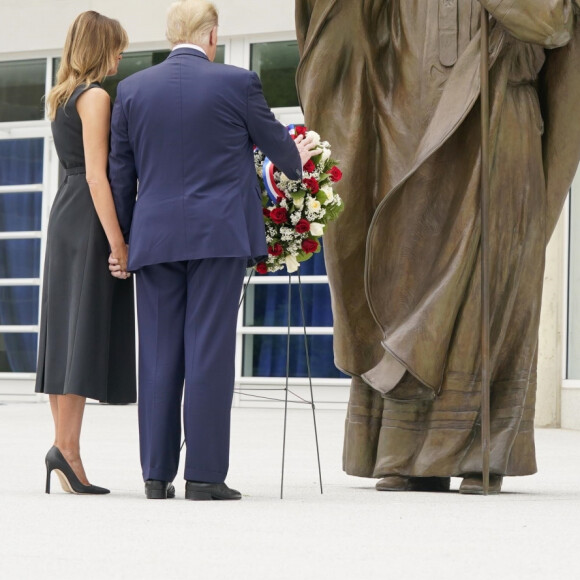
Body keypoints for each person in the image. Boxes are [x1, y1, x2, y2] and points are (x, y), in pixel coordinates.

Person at [296, 0, 580, 493]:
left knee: (489, 290)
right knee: (402, 286)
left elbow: (553, 24)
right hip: (406, 133)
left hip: (498, 124)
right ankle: (402, 454)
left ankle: (480, 453)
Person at [108, 0, 320, 501]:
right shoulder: (236, 82)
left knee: (158, 356)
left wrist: (121, 240)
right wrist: (298, 156)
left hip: (154, 239)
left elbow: (121, 175)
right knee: (208, 351)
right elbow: (278, 147)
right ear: (212, 36)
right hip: (219, 237)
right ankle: (204, 477)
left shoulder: (133, 90)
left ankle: (155, 477)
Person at [37, 11, 136, 495]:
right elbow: (99, 176)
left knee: (65, 334)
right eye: (117, 47)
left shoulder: (60, 96)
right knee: (77, 335)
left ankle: (63, 447)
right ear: (101, 47)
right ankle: (68, 452)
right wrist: (119, 243)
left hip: (66, 214)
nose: (121, 55)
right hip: (89, 218)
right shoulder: (96, 96)